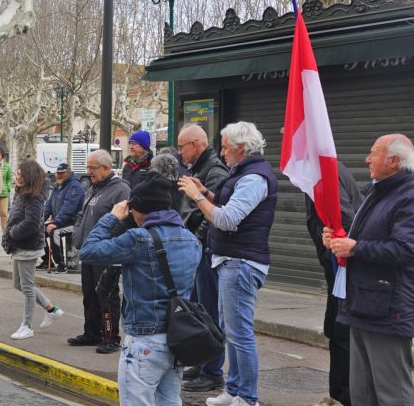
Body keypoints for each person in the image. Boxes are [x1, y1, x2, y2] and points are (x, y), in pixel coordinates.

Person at [325, 135, 414, 406]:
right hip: (364, 305)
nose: (367, 159)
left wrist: (356, 248)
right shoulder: (376, 192)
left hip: (388, 310)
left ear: (394, 161)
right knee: (362, 393)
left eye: (374, 153)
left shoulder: (412, 199)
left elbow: (410, 251)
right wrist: (337, 240)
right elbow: (362, 237)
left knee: (391, 393)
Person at [79, 176, 201, 406]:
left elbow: (88, 250)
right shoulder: (191, 239)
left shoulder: (138, 238)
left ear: (140, 210)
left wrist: (112, 217)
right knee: (169, 401)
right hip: (177, 339)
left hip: (144, 340)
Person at [179, 121, 276, 406]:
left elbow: (226, 219)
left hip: (241, 262)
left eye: (225, 147)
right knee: (231, 331)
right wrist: (206, 193)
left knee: (239, 333)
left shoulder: (253, 177)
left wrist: (198, 197)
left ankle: (247, 397)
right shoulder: (243, 173)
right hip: (232, 260)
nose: (221, 153)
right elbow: (224, 204)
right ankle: (234, 390)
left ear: (241, 148)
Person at [176, 123, 232, 394]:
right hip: (197, 248)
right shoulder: (199, 169)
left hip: (206, 250)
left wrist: (196, 239)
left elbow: (214, 213)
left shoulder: (214, 171)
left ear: (197, 144)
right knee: (197, 309)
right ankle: (201, 363)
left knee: (209, 311)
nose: (180, 153)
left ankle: (212, 371)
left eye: (182, 147)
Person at [305, 161, 360, 406]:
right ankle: (338, 396)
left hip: (343, 266)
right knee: (336, 330)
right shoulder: (319, 172)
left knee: (342, 333)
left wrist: (337, 249)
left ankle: (344, 397)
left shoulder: (323, 173)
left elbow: (344, 218)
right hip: (337, 264)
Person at [69, 149, 130, 354]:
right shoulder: (93, 188)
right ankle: (92, 332)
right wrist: (78, 236)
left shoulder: (120, 190)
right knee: (90, 295)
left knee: (106, 296)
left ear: (106, 167)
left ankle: (110, 337)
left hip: (105, 253)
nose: (89, 172)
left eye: (92, 168)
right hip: (89, 252)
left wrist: (105, 243)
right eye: (88, 167)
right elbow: (81, 214)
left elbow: (123, 221)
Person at [5, 159, 63, 340]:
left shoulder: (34, 196)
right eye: (18, 173)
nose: (18, 177)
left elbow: (32, 222)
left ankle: (27, 326)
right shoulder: (22, 192)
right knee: (18, 284)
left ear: (30, 176)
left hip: (27, 246)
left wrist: (13, 232)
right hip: (19, 245)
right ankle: (51, 309)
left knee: (27, 287)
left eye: (22, 174)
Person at [42, 162, 84, 271]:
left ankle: (60, 264)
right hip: (60, 221)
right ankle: (47, 261)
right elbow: (49, 205)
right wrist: (40, 220)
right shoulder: (57, 185)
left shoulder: (75, 186)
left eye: (62, 173)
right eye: (58, 173)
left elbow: (69, 207)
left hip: (74, 222)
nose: (59, 175)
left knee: (54, 231)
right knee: (38, 230)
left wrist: (55, 222)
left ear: (69, 172)